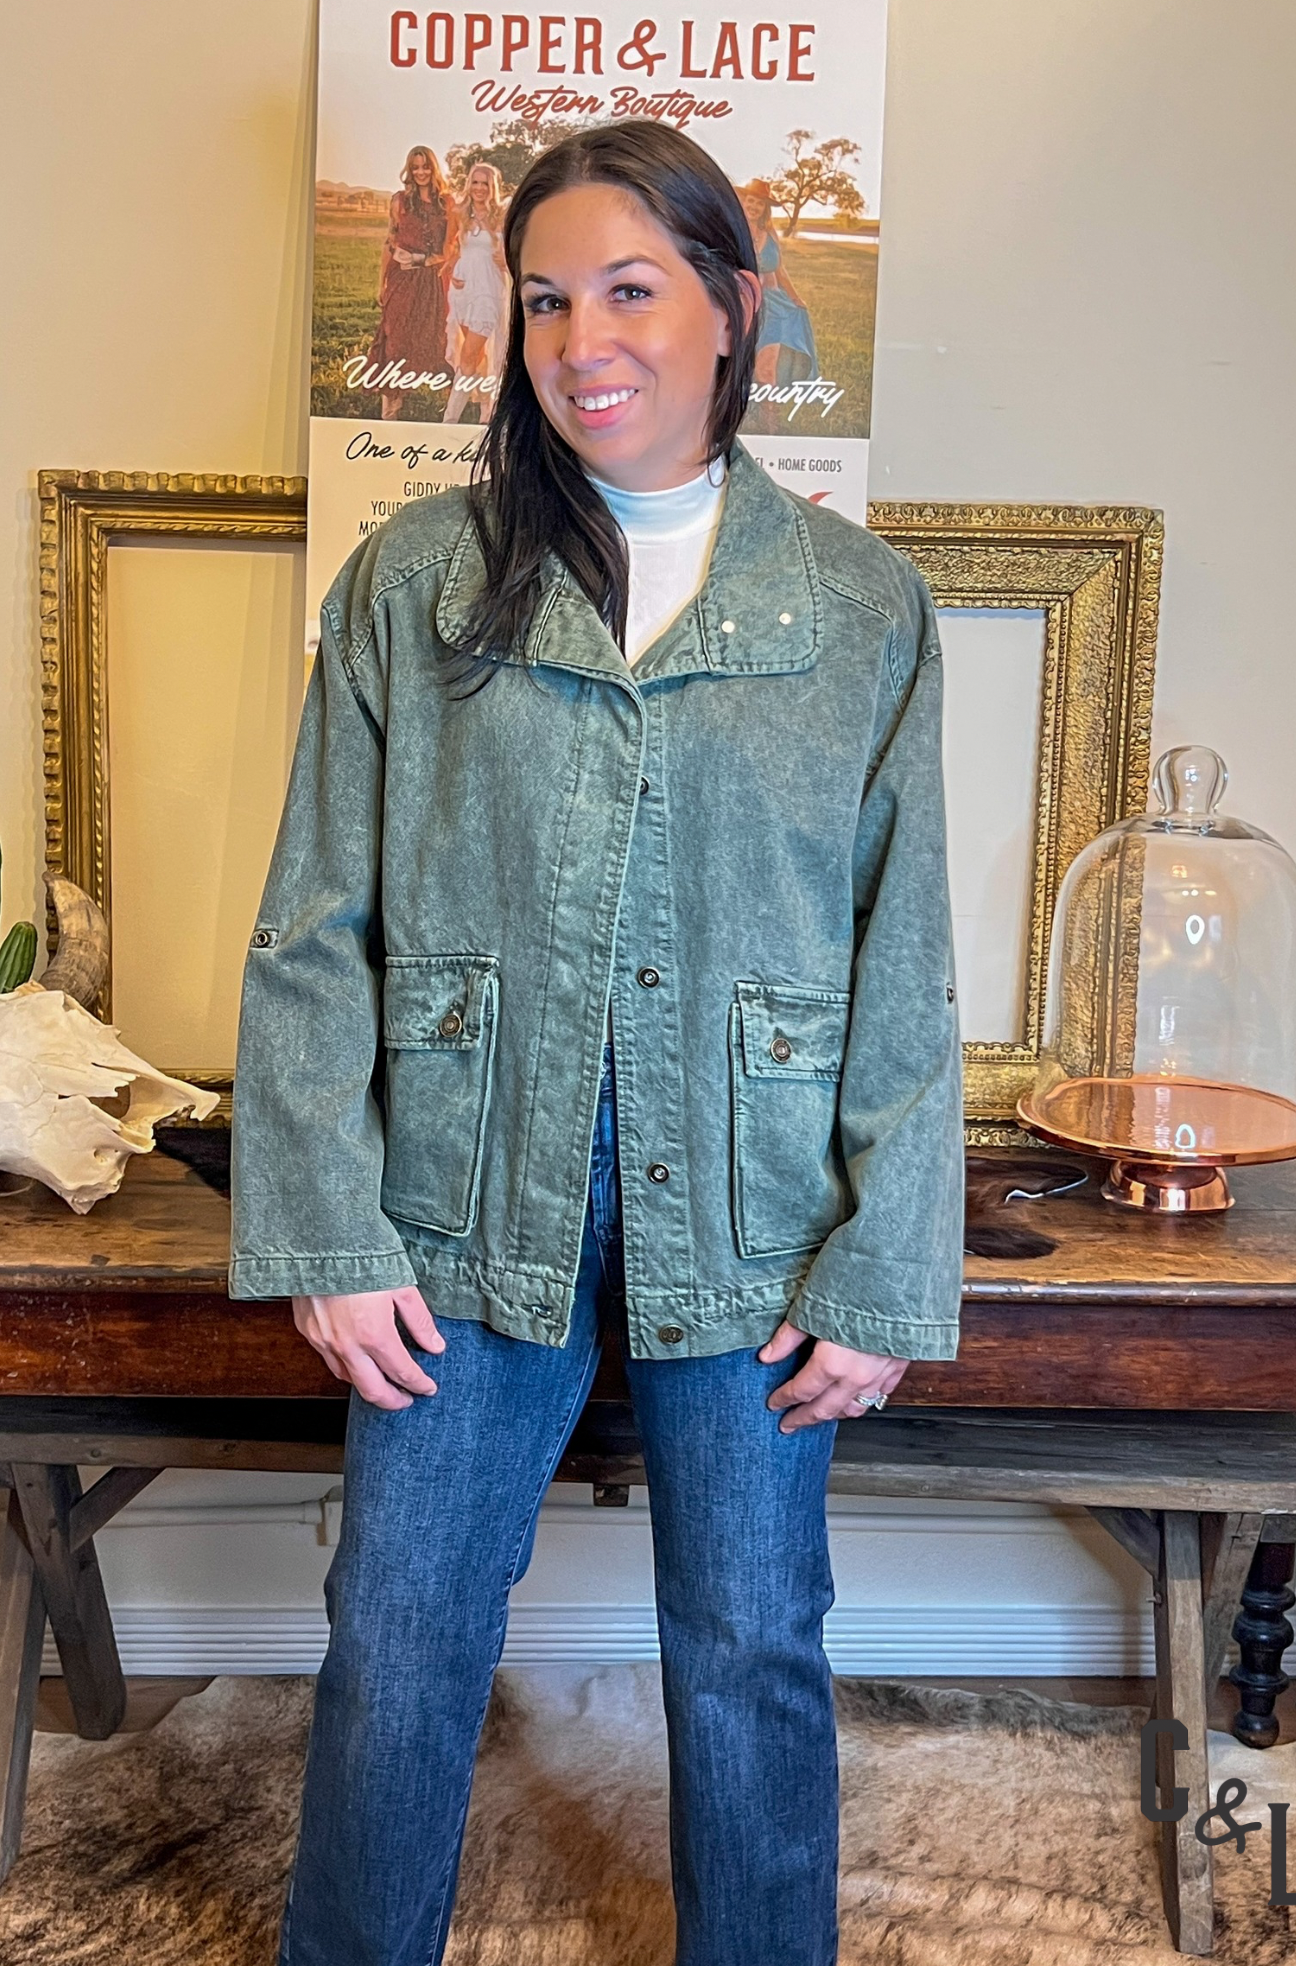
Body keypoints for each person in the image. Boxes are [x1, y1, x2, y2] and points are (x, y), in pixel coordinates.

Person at [230, 117, 965, 1966]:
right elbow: (314, 925)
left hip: (758, 1198)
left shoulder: (857, 610)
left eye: (628, 289)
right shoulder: (417, 582)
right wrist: (325, 1233)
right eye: (542, 299)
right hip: (459, 1191)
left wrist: (882, 1264)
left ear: (734, 307)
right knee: (397, 1627)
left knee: (747, 1637)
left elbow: (902, 958)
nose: (579, 341)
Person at [367, 144, 457, 422]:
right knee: (395, 337)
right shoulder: (399, 201)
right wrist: (380, 282)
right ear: (409, 169)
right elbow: (390, 242)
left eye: (425, 166)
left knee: (432, 339)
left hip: (430, 281)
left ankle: (448, 406)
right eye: (415, 166)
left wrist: (419, 260)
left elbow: (448, 251)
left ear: (434, 168)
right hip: (399, 279)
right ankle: (390, 411)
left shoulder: (447, 203)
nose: (420, 172)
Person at [738, 176, 819, 431]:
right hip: (744, 305)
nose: (754, 207)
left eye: (759, 204)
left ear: (765, 208)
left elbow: (779, 270)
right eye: (751, 201)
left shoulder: (769, 233)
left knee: (766, 369)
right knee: (743, 367)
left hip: (774, 307)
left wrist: (795, 298)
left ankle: (770, 426)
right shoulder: (735, 229)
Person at [443, 159, 509, 424]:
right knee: (475, 355)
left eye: (485, 183)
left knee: (470, 356)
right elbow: (453, 246)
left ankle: (448, 422)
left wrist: (508, 260)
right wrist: (453, 268)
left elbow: (514, 248)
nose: (479, 188)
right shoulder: (460, 213)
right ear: (469, 185)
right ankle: (486, 416)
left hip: (489, 291)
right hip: (462, 290)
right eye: (475, 182)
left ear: (492, 187)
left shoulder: (502, 214)